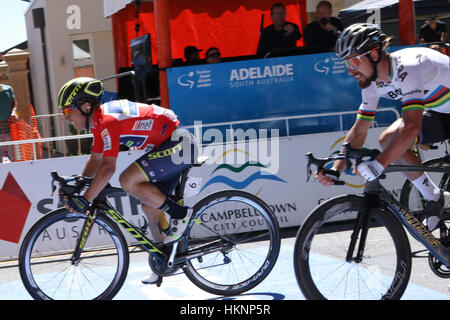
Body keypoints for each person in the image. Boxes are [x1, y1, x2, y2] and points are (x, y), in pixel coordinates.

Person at [57, 77, 196, 284]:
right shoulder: (99, 122)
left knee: (127, 180)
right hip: (170, 145)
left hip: (179, 143)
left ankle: (181, 214)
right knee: (150, 207)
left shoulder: (107, 121)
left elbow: (107, 168)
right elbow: (95, 159)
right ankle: (164, 262)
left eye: (68, 111)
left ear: (86, 106)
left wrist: (86, 199)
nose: (66, 118)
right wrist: (81, 184)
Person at [316, 23, 450, 231]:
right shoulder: (372, 83)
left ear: (375, 53)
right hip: (441, 112)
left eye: (354, 60)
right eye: (346, 64)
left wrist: (378, 164)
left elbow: (412, 126)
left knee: (402, 134)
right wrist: (337, 168)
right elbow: (360, 128)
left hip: (443, 110)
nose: (350, 70)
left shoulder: (409, 66)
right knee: (388, 138)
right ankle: (433, 196)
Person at [0, 84, 18, 163]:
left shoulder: (8, 89)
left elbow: (14, 104)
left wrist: (14, 112)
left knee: (15, 160)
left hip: (11, 130)